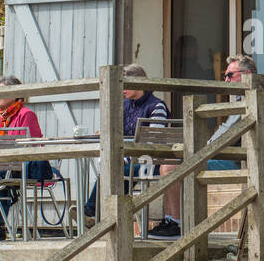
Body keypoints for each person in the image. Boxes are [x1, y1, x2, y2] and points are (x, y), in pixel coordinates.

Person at [149, 55, 254, 240]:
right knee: (168, 164)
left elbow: (226, 137)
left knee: (170, 168)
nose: (226, 80)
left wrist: (201, 150)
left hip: (235, 161)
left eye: (230, 75)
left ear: (247, 74)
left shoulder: (249, 101)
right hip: (220, 156)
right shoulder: (242, 99)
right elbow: (224, 134)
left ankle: (177, 224)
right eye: (225, 76)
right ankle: (172, 220)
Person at [0, 75, 52, 241]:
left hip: (25, 166)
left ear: (16, 94)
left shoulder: (27, 114)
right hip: (4, 163)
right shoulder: (1, 118)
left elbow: (31, 146)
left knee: (2, 177)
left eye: (2, 91)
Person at [82, 64, 168, 223]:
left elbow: (152, 143)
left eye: (125, 83)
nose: (122, 89)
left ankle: (97, 213)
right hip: (127, 159)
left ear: (138, 82)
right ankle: (101, 214)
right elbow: (115, 133)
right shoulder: (123, 105)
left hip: (151, 161)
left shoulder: (157, 106)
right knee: (113, 167)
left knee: (117, 168)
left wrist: (126, 158)